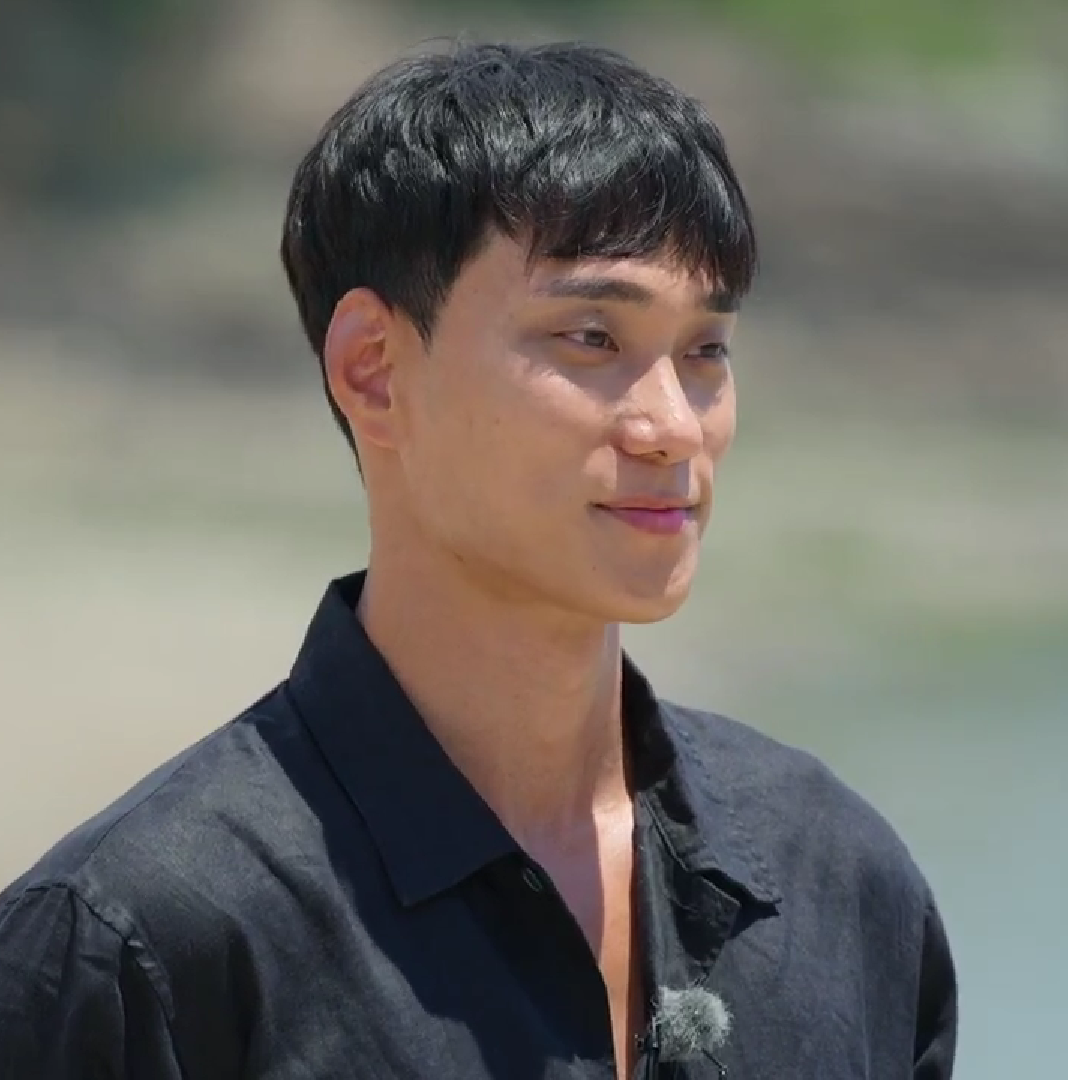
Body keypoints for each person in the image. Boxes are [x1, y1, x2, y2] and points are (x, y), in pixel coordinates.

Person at [0, 40, 956, 1080]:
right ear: (373, 369)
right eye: (591, 337)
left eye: (705, 351)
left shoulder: (841, 881)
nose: (673, 427)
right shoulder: (134, 946)